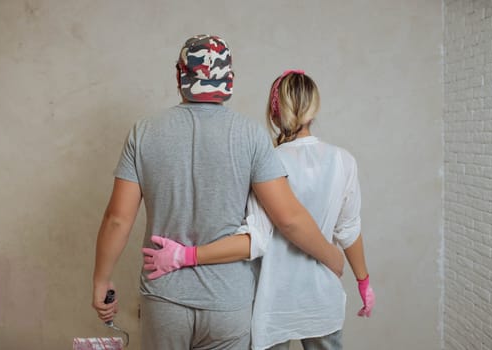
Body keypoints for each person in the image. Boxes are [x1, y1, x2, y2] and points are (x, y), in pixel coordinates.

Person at [91, 35, 345, 350]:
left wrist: (101, 280)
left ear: (179, 75)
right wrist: (332, 256)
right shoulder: (251, 135)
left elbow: (118, 218)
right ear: (230, 80)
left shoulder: (144, 132)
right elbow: (289, 218)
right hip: (229, 303)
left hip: (164, 298)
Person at [143, 70, 376, 349]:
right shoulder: (343, 161)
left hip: (273, 300)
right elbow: (348, 229)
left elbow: (256, 240)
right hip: (321, 298)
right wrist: (363, 281)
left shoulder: (268, 162)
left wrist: (185, 255)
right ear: (314, 109)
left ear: (274, 112)